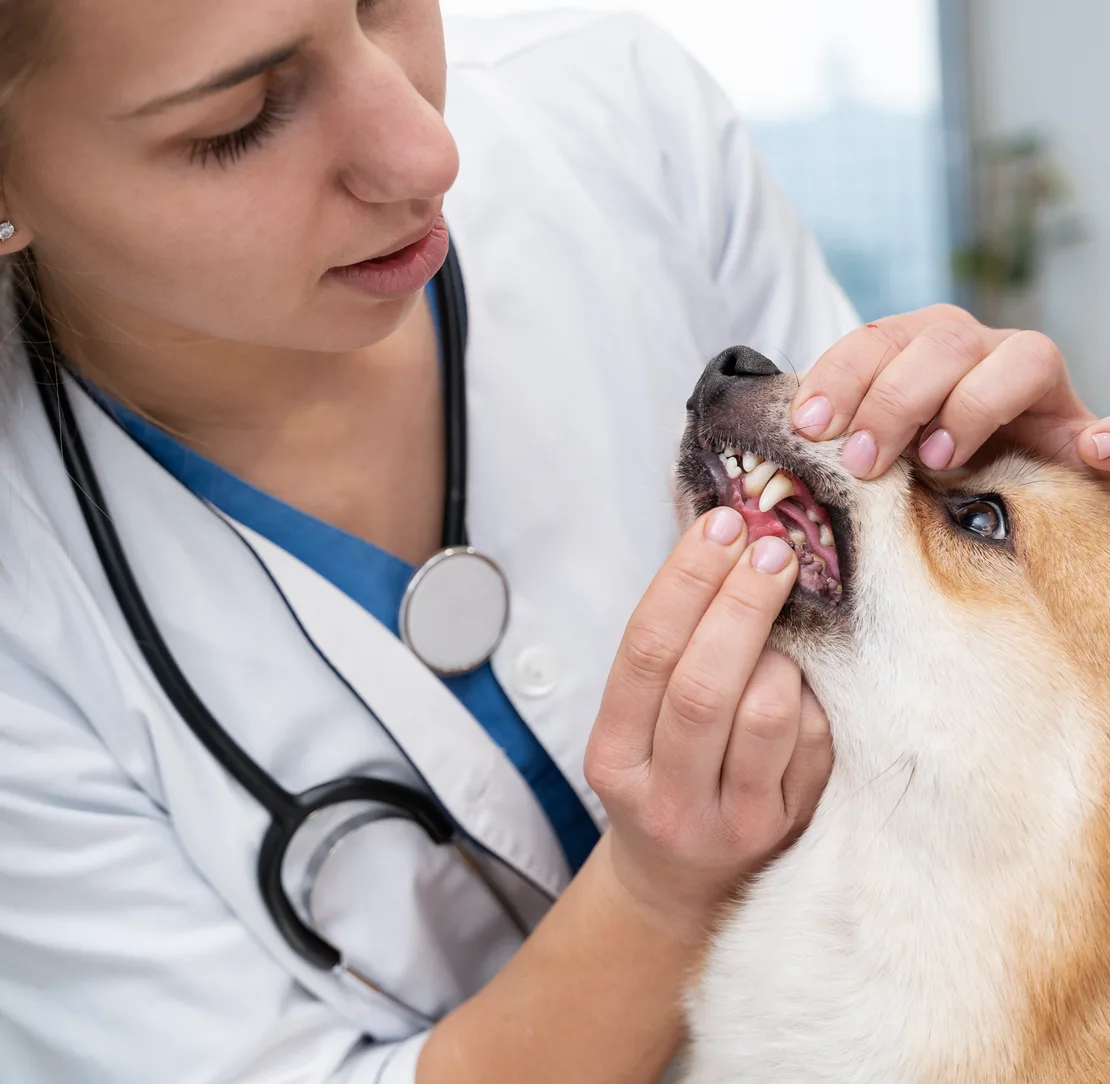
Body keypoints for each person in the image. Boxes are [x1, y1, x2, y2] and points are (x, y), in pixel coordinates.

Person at [0, 2, 1107, 1082]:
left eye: (387, 0)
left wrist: (998, 459)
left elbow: (937, 688)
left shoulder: (615, 115)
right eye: (238, 119)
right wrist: (655, 889)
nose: (428, 148)